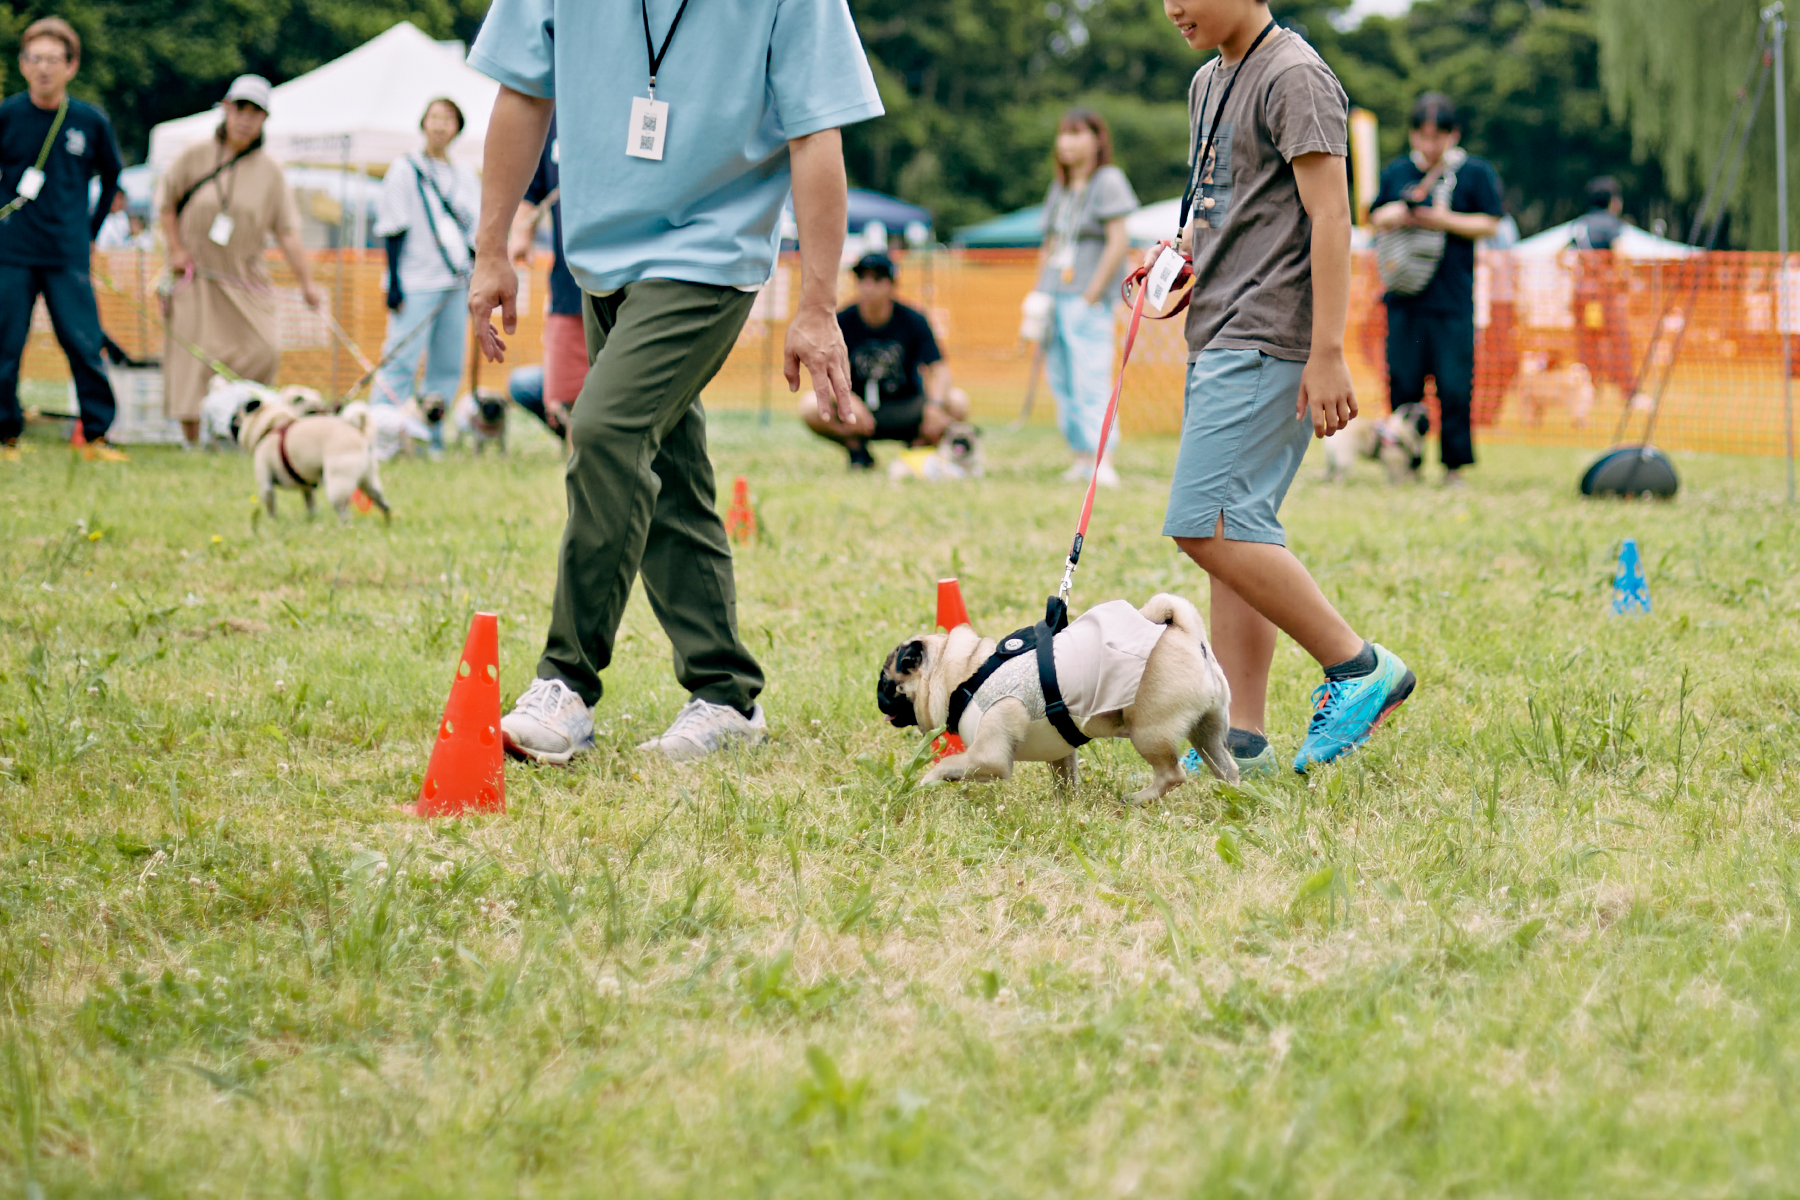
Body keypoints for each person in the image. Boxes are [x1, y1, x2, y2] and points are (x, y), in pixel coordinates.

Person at [467, 0, 883, 764]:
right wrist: (491, 247)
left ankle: (565, 683)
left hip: (709, 255)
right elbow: (523, 92)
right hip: (599, 257)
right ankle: (726, 694)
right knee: (665, 469)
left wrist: (819, 304)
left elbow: (816, 132)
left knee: (606, 431)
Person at [1158, 0, 1414, 777]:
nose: (1173, 6)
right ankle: (1244, 739)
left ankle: (1358, 666)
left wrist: (1328, 352)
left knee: (1203, 524)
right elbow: (1230, 209)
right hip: (1219, 327)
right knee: (1237, 536)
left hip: (1269, 335)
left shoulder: (1296, 75)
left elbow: (1331, 218)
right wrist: (1180, 253)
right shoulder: (1209, 81)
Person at [157, 75, 320, 447]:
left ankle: (238, 427)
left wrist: (307, 283)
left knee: (264, 348)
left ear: (264, 119)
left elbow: (288, 231)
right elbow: (166, 204)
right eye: (240, 109)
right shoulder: (193, 155)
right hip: (195, 275)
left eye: (256, 112)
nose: (246, 118)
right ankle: (192, 440)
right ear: (226, 109)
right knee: (193, 358)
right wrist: (176, 250)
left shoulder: (271, 171)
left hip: (245, 276)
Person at [0, 16, 125, 462]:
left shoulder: (89, 121)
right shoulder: (8, 115)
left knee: (83, 342)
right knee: (5, 344)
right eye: (35, 58)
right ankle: (4, 436)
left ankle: (96, 436)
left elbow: (112, 177)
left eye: (54, 59)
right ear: (23, 63)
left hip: (67, 252)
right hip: (12, 251)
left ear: (71, 66)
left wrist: (88, 233)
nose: (44, 68)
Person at [1371, 93, 1504, 486]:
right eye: (1423, 137)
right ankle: (1404, 463)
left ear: (1453, 135)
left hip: (1453, 300)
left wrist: (1441, 219)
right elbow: (1373, 216)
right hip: (1405, 299)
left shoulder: (1475, 173)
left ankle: (1454, 467)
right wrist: (1396, 212)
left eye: (1438, 137)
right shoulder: (1397, 172)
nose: (1429, 146)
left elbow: (1491, 222)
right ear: (1413, 135)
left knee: (1455, 387)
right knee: (1404, 383)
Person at [1032, 108, 1138, 486]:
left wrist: (1092, 294)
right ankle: (1080, 457)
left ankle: (1102, 460)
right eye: (1064, 134)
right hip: (1055, 297)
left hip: (1087, 299)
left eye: (1078, 134)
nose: (1068, 142)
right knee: (1062, 380)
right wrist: (1038, 296)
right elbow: (1049, 245)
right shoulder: (1060, 187)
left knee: (1092, 379)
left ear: (1096, 140)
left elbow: (1119, 241)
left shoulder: (1108, 180)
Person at [372, 98, 480, 451]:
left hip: (455, 282)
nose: (440, 125)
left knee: (447, 365)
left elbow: (476, 229)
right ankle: (382, 435)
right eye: (434, 117)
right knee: (400, 361)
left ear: (457, 127)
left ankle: (430, 439)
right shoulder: (405, 169)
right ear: (423, 123)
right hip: (414, 282)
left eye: (448, 119)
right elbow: (392, 227)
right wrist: (395, 283)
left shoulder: (464, 174)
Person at [798, 251, 969, 467]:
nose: (868, 286)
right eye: (862, 279)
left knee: (957, 403)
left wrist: (934, 406)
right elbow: (825, 372)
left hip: (907, 406)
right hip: (859, 411)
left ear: (892, 284)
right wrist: (846, 400)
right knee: (810, 406)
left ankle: (917, 449)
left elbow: (939, 369)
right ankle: (856, 448)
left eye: (877, 279)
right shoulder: (841, 321)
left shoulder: (913, 319)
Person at [504, 112, 581, 440]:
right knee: (563, 401)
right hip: (568, 286)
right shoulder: (553, 118)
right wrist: (520, 237)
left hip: (630, 280)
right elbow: (533, 189)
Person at [1569, 175, 1633, 403]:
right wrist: (1622, 280)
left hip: (1581, 297)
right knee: (1619, 341)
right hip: (1604, 297)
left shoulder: (1578, 224)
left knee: (1588, 344)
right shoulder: (1611, 223)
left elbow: (1566, 258)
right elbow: (1621, 256)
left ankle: (1591, 392)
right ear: (1612, 201)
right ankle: (1628, 392)